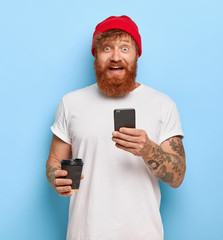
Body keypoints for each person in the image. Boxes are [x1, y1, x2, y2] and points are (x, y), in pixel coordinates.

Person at [46, 15, 186, 240]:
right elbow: (54, 160)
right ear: (96, 55)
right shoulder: (71, 103)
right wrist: (57, 179)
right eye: (107, 48)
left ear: (136, 55)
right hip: (85, 234)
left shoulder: (161, 104)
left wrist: (148, 150)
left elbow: (177, 176)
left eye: (124, 48)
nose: (115, 57)